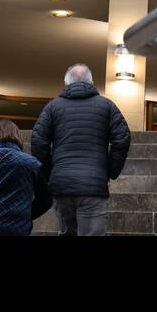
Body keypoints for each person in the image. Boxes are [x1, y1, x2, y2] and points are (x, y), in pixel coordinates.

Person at [31, 63, 131, 236]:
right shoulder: (107, 106)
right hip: (93, 187)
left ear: (66, 82)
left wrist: (49, 173)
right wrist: (110, 170)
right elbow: (122, 138)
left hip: (61, 185)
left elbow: (38, 142)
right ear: (92, 82)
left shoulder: (52, 107)